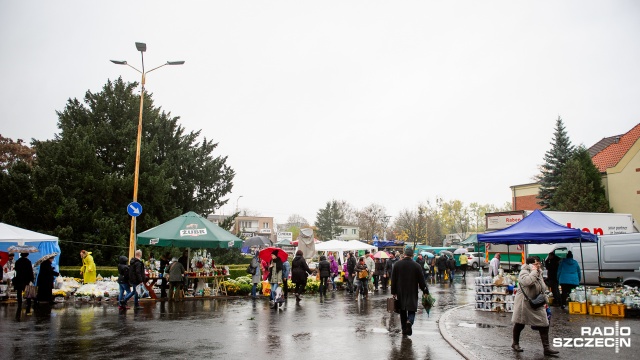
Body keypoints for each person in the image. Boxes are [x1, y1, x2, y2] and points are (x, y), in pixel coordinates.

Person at [511, 256, 558, 355]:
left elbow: (543, 287)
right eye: (536, 264)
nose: (539, 265)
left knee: (544, 323)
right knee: (520, 323)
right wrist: (534, 272)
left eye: (539, 263)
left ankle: (547, 348)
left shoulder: (538, 272)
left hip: (537, 302)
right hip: (524, 303)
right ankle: (515, 343)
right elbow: (528, 282)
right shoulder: (524, 272)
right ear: (531, 265)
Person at [391, 248, 429, 336]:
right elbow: (421, 280)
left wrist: (393, 292)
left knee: (402, 310)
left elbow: (393, 279)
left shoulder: (397, 265)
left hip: (401, 291)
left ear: (404, 254)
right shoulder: (416, 266)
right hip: (412, 290)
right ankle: (410, 322)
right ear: (412, 255)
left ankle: (404, 329)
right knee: (412, 309)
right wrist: (425, 290)